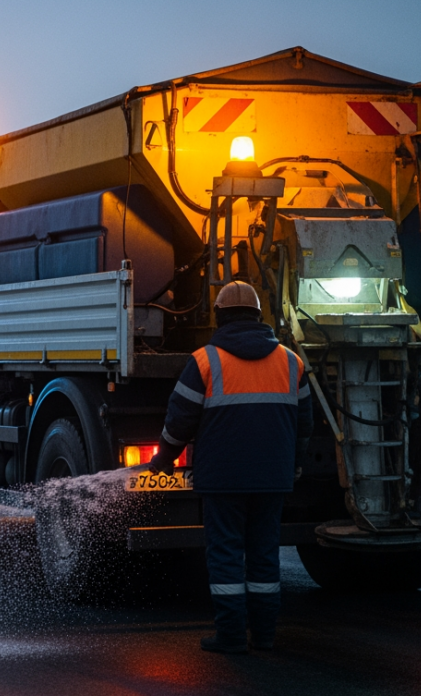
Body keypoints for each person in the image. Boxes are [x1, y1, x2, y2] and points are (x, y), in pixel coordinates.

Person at [146, 280, 312, 654]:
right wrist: (294, 465)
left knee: (225, 555)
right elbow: (305, 425)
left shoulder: (205, 360)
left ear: (219, 317)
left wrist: (163, 461)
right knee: (265, 556)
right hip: (273, 478)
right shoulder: (291, 361)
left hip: (223, 481)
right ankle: (265, 635)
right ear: (258, 316)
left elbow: (179, 421)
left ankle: (232, 636)